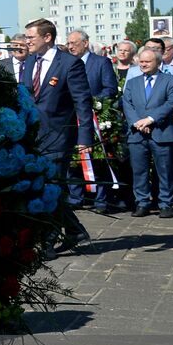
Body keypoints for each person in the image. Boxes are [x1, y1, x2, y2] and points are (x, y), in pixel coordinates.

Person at [22, 19, 94, 249]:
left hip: (58, 136)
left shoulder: (69, 64)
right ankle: (75, 230)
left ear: (47, 37)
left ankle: (48, 242)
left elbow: (82, 102)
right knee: (44, 187)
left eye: (31, 37)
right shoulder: (30, 61)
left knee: (51, 186)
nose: (27, 41)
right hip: (33, 136)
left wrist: (85, 138)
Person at [122, 46, 173, 218]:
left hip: (161, 133)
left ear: (158, 61)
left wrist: (150, 119)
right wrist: (138, 123)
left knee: (164, 171)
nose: (143, 64)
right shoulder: (133, 82)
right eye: (141, 61)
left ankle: (165, 204)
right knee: (139, 171)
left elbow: (170, 103)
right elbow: (127, 104)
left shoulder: (171, 81)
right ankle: (142, 203)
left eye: (148, 61)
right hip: (137, 133)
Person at [65, 29, 119, 214]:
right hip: (71, 118)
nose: (70, 46)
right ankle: (75, 197)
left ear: (85, 43)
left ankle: (102, 200)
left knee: (98, 159)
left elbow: (110, 88)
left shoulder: (101, 62)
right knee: (73, 160)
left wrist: (91, 102)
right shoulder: (66, 63)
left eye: (74, 43)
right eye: (68, 43)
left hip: (95, 117)